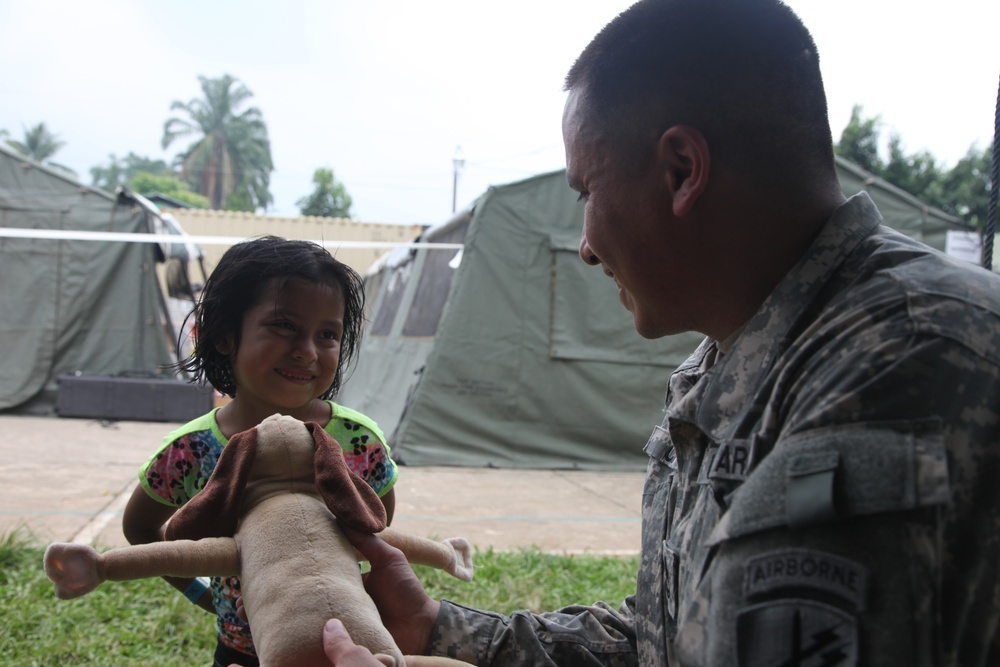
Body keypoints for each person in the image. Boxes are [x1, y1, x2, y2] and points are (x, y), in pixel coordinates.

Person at [312, 0, 1000, 665]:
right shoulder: (735, 364)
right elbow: (670, 634)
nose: (584, 245)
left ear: (681, 170)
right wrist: (440, 628)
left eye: (587, 191)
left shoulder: (903, 366)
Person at [122, 235, 399, 667]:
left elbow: (378, 526)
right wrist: (198, 591)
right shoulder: (190, 449)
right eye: (284, 325)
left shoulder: (357, 440)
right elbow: (140, 529)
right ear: (224, 335)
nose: (307, 351)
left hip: (346, 644)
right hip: (239, 648)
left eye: (327, 334)